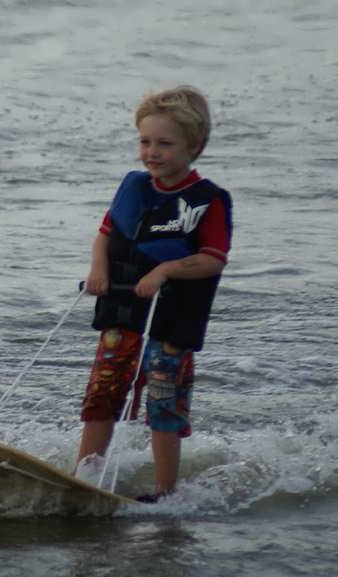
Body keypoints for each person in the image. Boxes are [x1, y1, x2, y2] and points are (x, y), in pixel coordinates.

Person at [75, 85, 233, 502]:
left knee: (163, 398)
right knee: (103, 391)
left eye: (164, 144)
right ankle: (84, 474)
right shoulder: (133, 189)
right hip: (123, 310)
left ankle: (166, 492)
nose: (152, 152)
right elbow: (105, 235)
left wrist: (165, 270)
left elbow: (213, 259)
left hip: (172, 319)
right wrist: (98, 269)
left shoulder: (209, 201)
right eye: (145, 142)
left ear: (194, 146)